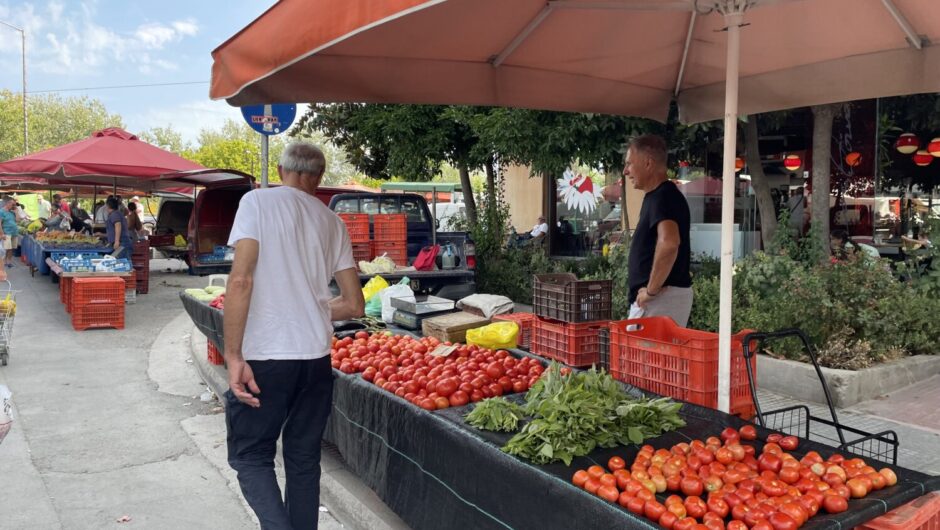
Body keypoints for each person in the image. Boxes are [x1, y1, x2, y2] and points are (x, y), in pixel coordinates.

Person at [223, 141, 364, 529]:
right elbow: (354, 304)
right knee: (303, 459)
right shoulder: (331, 222)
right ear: (318, 177)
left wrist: (233, 356)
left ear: (281, 171)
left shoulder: (256, 203)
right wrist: (307, 308)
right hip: (315, 360)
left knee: (252, 456)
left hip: (266, 356)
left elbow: (240, 280)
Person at [624, 134, 693, 327]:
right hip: (659, 299)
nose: (625, 171)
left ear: (648, 163)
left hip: (659, 299)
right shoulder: (659, 196)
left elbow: (669, 243)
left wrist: (651, 291)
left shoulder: (663, 196)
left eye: (629, 164)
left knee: (638, 348)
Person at [0, 198, 18, 268]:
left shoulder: (12, 212)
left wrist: (16, 212)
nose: (14, 206)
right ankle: (3, 262)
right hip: (6, 232)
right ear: (8, 203)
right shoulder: (1, 211)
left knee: (11, 248)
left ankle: (9, 262)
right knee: (6, 248)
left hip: (14, 233)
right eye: (13, 204)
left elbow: (18, 220)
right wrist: (2, 234)